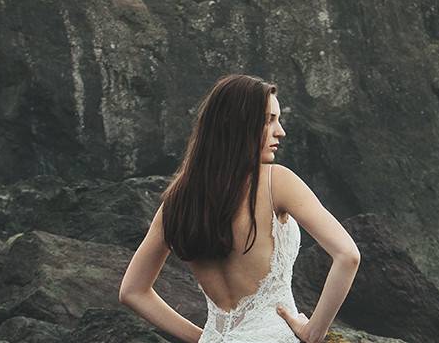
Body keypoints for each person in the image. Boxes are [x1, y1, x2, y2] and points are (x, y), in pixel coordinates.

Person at [119, 74, 360, 342]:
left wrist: (203, 338)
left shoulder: (177, 202)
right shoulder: (275, 181)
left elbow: (132, 291)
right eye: (269, 120)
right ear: (237, 124)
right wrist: (314, 331)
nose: (280, 131)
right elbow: (348, 255)